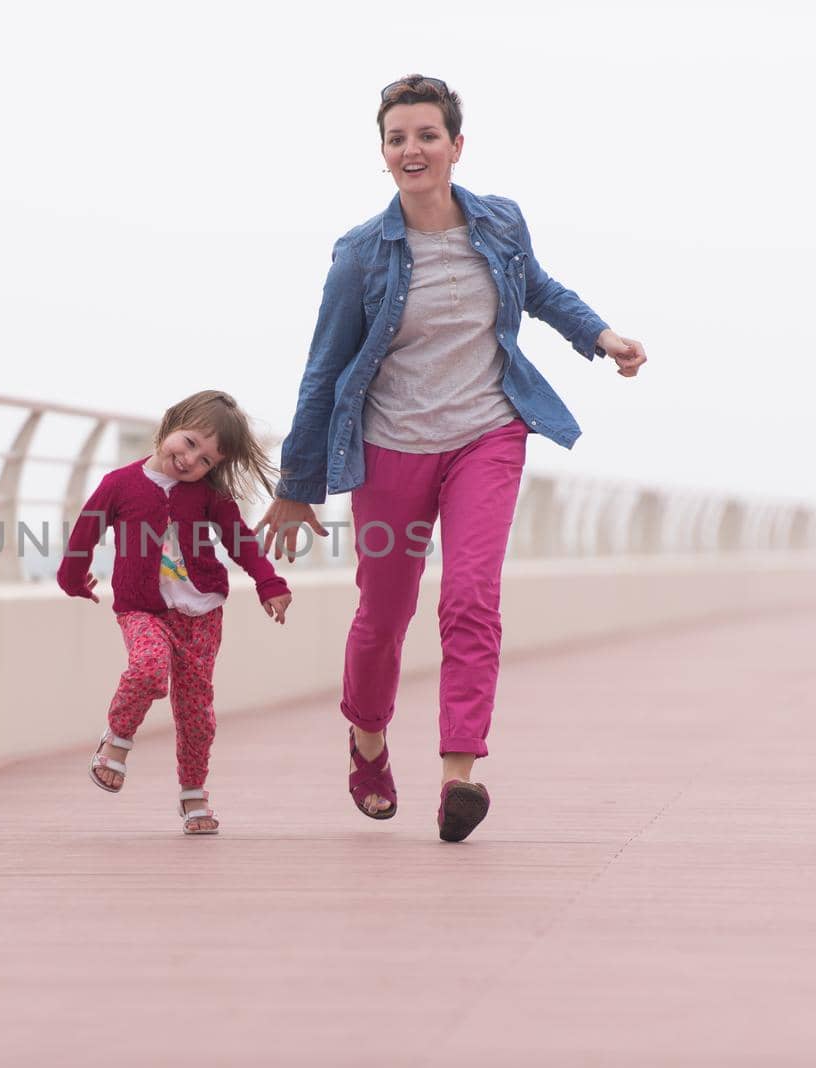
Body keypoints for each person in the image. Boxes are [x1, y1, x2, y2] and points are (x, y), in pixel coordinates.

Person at [256, 74, 648, 842]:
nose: (413, 149)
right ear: (383, 153)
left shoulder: (499, 223)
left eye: (427, 135)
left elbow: (537, 287)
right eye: (398, 138)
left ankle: (458, 777)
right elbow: (324, 369)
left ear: (455, 147)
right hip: (390, 450)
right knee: (386, 612)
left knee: (470, 598)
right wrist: (298, 484)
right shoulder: (362, 254)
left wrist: (599, 336)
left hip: (487, 435)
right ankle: (367, 742)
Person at [59, 390, 293, 835]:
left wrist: (269, 582)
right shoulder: (119, 484)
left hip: (201, 614)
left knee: (196, 712)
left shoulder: (208, 495)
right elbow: (85, 534)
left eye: (205, 459)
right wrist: (73, 578)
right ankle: (117, 740)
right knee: (148, 669)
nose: (189, 460)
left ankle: (193, 792)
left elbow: (239, 540)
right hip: (142, 608)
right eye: (187, 443)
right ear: (169, 426)